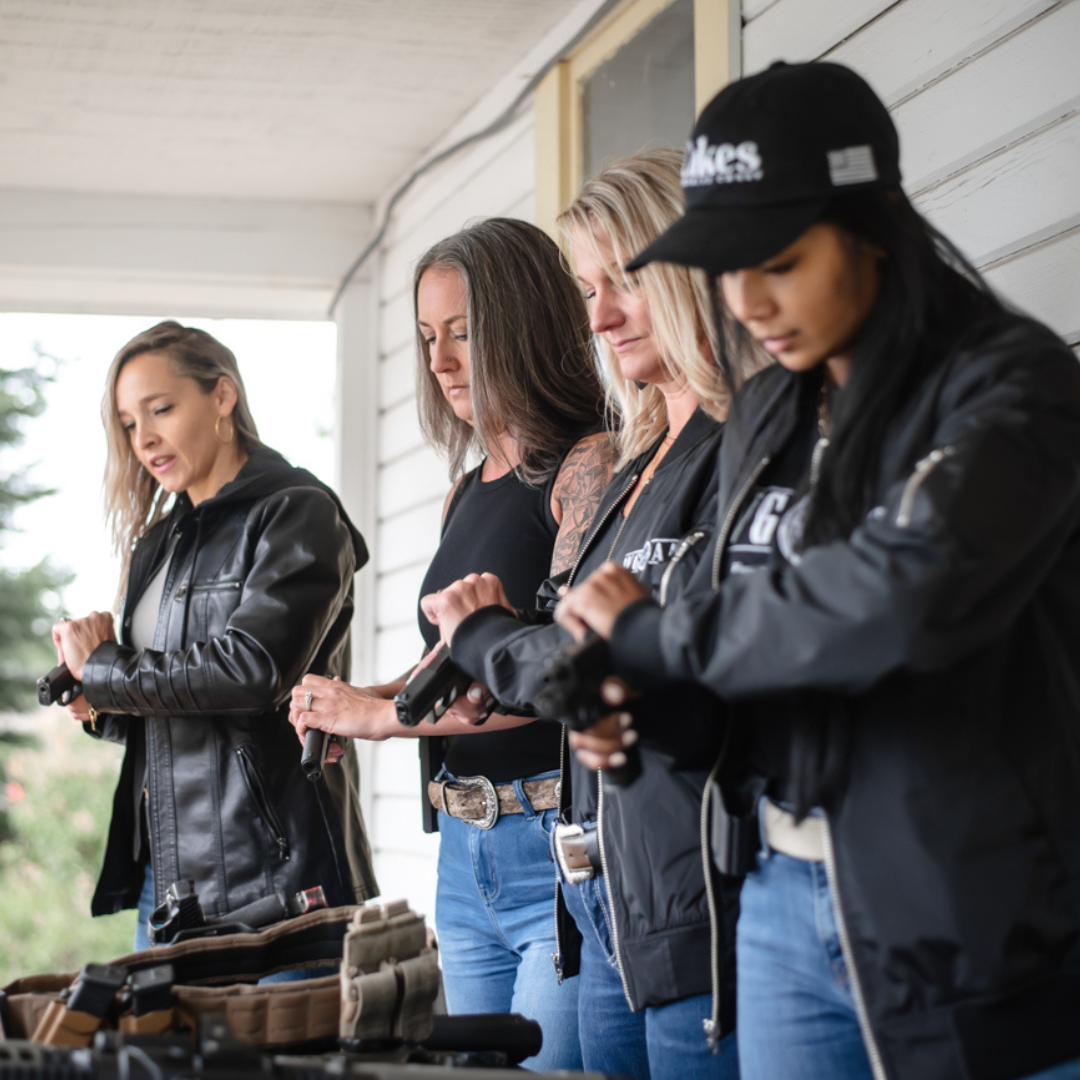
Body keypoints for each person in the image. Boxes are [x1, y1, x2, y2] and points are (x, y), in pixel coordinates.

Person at [554, 61, 1080, 1080]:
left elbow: (900, 598)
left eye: (780, 261)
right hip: (781, 907)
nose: (746, 302)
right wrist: (644, 709)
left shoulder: (1015, 386)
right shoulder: (768, 411)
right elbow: (756, 665)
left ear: (874, 221)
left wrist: (660, 634)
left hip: (970, 925)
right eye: (724, 269)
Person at [422, 151, 756, 1079]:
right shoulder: (641, 460)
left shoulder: (740, 447)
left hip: (701, 894)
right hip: (607, 890)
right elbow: (583, 659)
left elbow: (654, 673)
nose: (601, 316)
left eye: (626, 280)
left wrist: (488, 638)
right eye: (587, 289)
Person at [288, 217, 613, 1070]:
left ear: (527, 324)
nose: (440, 362)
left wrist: (381, 718)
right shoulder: (464, 490)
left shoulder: (590, 466)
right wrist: (347, 699)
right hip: (464, 863)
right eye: (429, 337)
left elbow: (554, 672)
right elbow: (458, 666)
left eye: (465, 333)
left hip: (557, 847)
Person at [51, 321, 377, 956]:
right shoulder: (158, 542)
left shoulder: (297, 511)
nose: (144, 439)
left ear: (222, 396)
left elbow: (253, 670)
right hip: (169, 885)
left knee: (285, 1059)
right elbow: (172, 716)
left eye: (161, 409)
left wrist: (108, 669)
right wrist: (97, 703)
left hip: (279, 879)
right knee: (166, 1061)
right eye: (127, 424)